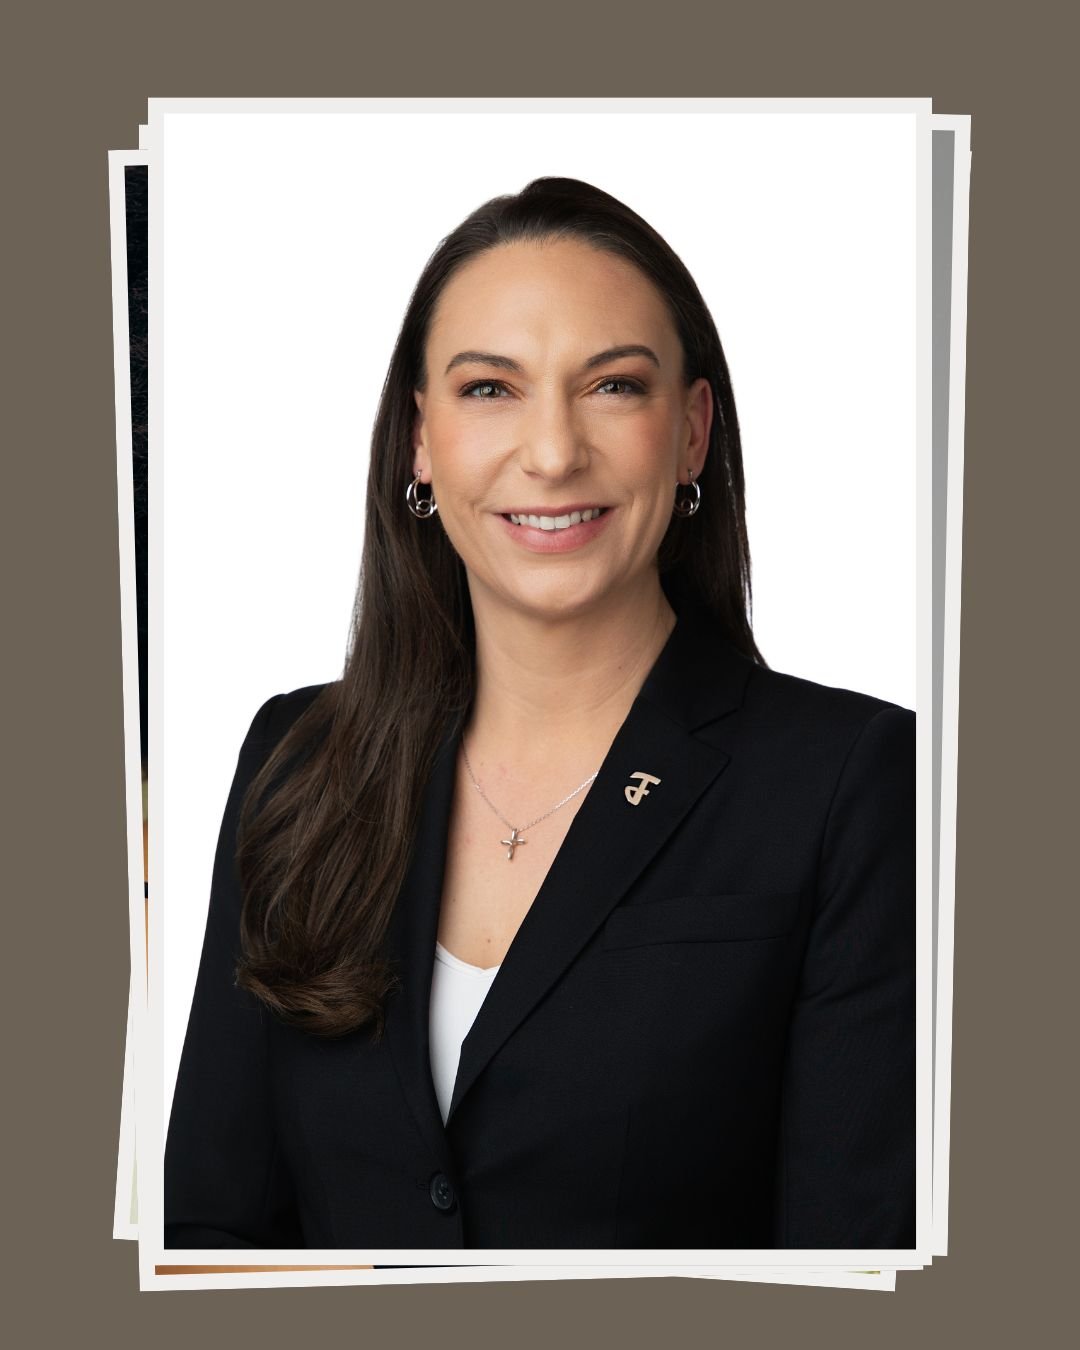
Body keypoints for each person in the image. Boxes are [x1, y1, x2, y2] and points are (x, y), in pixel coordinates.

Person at [164, 176, 915, 1251]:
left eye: (613, 386)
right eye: (489, 389)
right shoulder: (298, 758)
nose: (554, 452)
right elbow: (210, 1228)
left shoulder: (852, 780)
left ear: (691, 432)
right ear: (421, 441)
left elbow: (860, 1263)